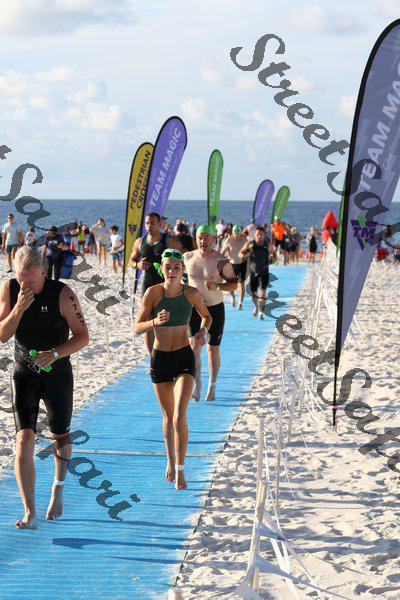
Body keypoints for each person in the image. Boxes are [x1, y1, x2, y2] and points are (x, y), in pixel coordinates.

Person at [0, 246, 89, 529]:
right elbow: (2, 335)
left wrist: (55, 353)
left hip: (57, 374)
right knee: (24, 439)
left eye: (30, 281)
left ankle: (58, 488)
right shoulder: (10, 289)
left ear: (42, 272)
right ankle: (30, 512)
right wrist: (18, 308)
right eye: (20, 280)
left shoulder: (63, 294)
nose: (25, 287)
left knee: (59, 435)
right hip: (24, 373)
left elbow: (83, 336)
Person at [134, 249, 211, 490]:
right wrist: (155, 321)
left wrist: (202, 332)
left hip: (183, 356)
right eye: (168, 267)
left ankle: (180, 469)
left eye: (177, 267)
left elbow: (206, 317)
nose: (172, 271)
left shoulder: (191, 293)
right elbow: (137, 327)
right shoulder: (153, 293)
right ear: (162, 269)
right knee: (168, 417)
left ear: (182, 270)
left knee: (179, 415)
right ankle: (169, 460)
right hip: (160, 360)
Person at [184, 225, 237, 402]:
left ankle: (212, 385)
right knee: (194, 347)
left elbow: (234, 284)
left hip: (214, 309)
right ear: (196, 239)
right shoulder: (187, 257)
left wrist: (218, 286)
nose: (203, 241)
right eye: (200, 237)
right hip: (194, 309)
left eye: (207, 237)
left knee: (212, 350)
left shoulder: (221, 260)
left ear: (213, 239)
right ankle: (197, 383)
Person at [129, 213, 183, 354]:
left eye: (152, 223)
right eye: (147, 223)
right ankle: (152, 357)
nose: (149, 226)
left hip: (167, 285)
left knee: (168, 320)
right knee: (148, 321)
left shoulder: (169, 240)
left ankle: (170, 352)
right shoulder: (140, 242)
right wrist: (137, 265)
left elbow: (183, 257)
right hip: (148, 285)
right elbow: (132, 260)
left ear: (160, 224)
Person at [239, 226, 270, 320]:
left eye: (261, 234)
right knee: (254, 294)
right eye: (257, 234)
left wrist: (272, 257)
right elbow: (240, 254)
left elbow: (272, 253)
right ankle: (256, 306)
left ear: (264, 235)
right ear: (254, 235)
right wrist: (246, 254)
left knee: (263, 292)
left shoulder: (267, 243)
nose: (259, 236)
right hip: (253, 272)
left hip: (264, 271)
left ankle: (261, 312)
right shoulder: (250, 244)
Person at [221, 225, 247, 310]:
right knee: (231, 284)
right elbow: (222, 252)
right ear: (232, 233)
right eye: (235, 233)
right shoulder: (229, 240)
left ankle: (240, 302)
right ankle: (233, 297)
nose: (236, 235)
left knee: (241, 284)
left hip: (242, 264)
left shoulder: (244, 240)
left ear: (240, 232)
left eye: (238, 233)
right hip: (231, 265)